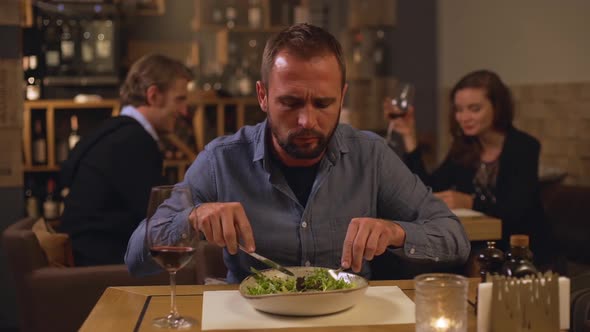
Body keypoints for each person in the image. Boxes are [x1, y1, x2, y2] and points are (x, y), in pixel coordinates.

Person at [125, 23, 470, 283]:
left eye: (323, 103)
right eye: (290, 103)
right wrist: (192, 218)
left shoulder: (371, 156)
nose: (307, 120)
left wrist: (397, 233)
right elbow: (136, 256)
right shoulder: (222, 161)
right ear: (262, 96)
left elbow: (454, 238)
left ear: (343, 96)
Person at [385, 69, 547, 257]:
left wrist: (470, 202)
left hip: (525, 252)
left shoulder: (524, 147)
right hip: (480, 249)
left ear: (498, 107)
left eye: (474, 109)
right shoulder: (464, 147)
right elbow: (425, 188)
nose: (464, 117)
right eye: (459, 110)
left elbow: (518, 212)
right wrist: (409, 135)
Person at [59, 54, 191, 266]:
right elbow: (160, 220)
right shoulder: (134, 141)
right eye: (180, 99)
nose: (185, 111)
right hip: (102, 270)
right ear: (154, 95)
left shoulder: (114, 131)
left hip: (90, 263)